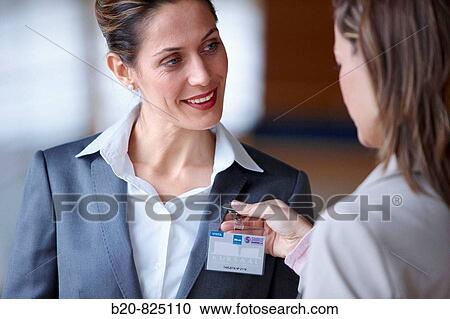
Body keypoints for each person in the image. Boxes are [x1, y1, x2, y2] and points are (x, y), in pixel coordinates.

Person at [2, 0, 313, 299]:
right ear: (123, 71)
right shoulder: (57, 175)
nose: (203, 76)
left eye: (210, 46)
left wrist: (309, 251)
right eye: (173, 60)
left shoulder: (281, 188)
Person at [221, 0, 450, 298]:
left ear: (377, 66)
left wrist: (340, 248)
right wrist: (318, 251)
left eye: (340, 62)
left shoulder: (358, 229)